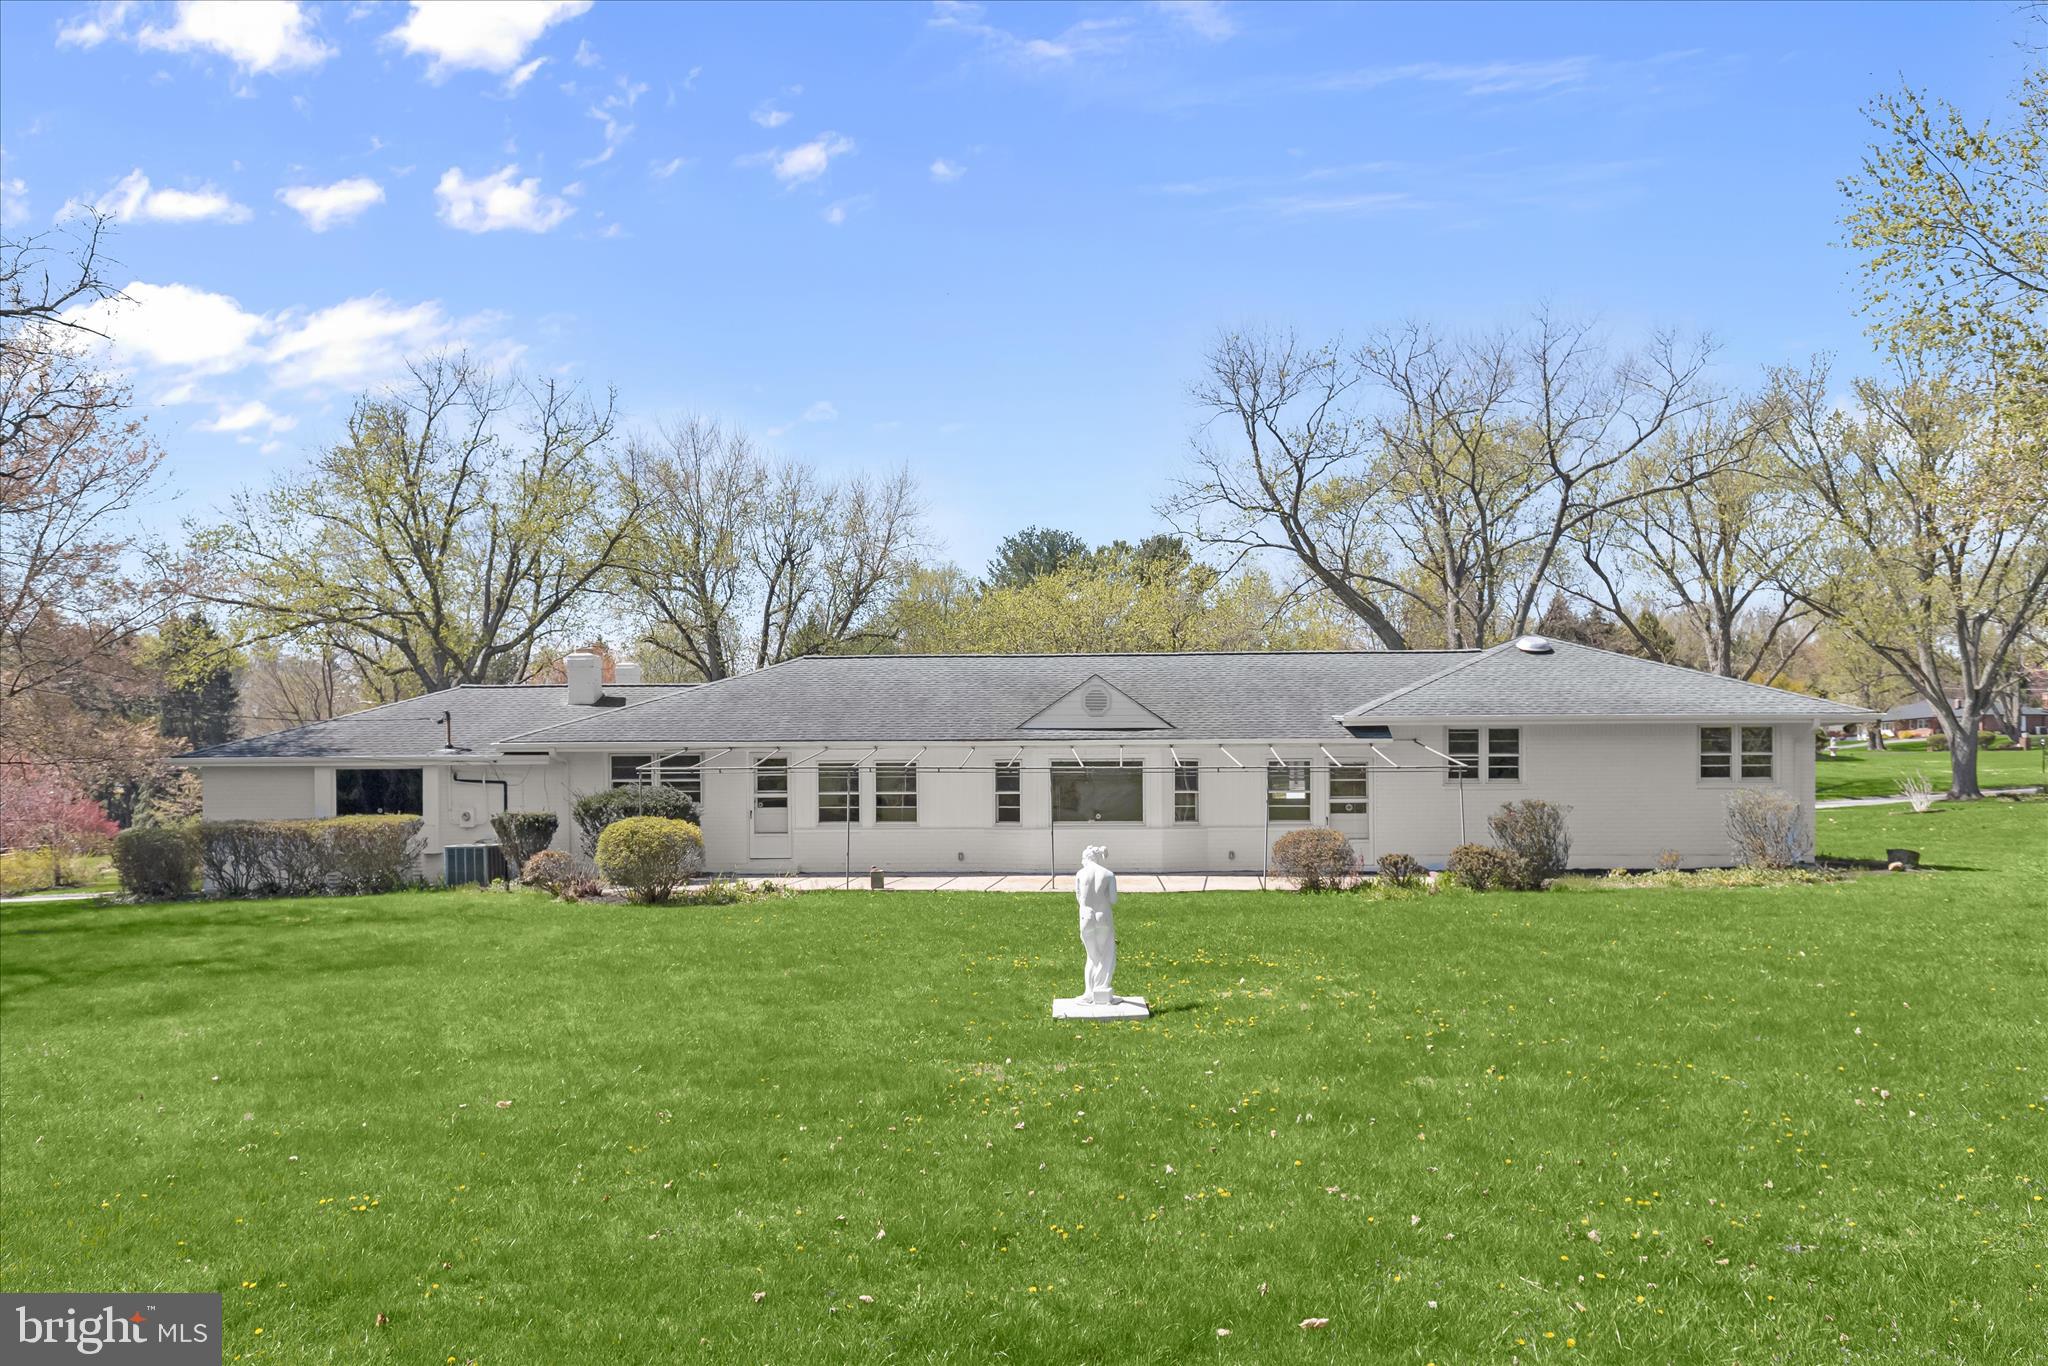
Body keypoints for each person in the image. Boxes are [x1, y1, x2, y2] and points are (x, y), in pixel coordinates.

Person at [1075, 845, 1118, 1002]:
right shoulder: (1108, 874)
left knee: (1092, 957)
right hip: (1103, 916)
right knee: (1105, 953)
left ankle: (1089, 992)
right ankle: (1101, 989)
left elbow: (1079, 898)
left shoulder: (1080, 874)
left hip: (1086, 916)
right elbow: (1113, 900)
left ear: (1086, 859)